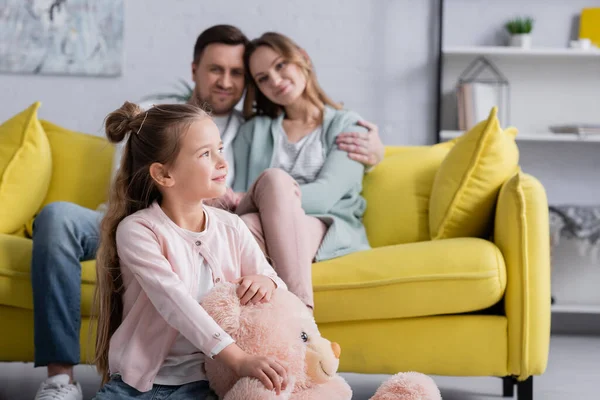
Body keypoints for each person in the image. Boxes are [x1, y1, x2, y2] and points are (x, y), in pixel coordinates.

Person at [31, 24, 383, 400]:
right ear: (195, 68)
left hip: (196, 221)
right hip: (140, 213)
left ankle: (303, 337)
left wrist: (375, 152)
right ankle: (60, 378)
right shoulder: (157, 112)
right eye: (217, 69)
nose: (227, 82)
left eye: (238, 74)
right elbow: (133, 178)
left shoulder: (253, 126)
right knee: (56, 218)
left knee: (244, 224)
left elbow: (246, 198)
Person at [92, 101, 289, 399]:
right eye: (205, 154)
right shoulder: (138, 231)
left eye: (220, 149)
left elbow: (276, 282)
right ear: (164, 175)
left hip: (204, 384)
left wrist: (267, 281)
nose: (222, 162)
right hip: (138, 385)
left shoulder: (232, 227)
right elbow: (175, 302)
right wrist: (238, 359)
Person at [231, 32, 371, 310]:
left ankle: (299, 309)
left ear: (303, 58)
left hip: (323, 224)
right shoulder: (252, 131)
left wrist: (275, 196)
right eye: (262, 78)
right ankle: (300, 326)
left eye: (280, 65)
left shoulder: (349, 126)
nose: (275, 80)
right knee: (244, 226)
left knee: (274, 182)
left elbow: (325, 195)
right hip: (261, 222)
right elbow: (244, 205)